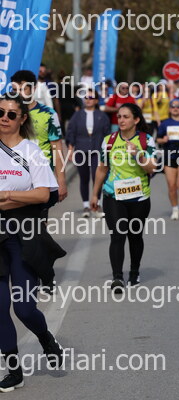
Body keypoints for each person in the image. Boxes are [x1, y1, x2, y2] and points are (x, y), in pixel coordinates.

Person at [0, 95, 65, 392]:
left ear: (22, 119)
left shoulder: (31, 151)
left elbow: (43, 194)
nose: (4, 118)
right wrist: (14, 199)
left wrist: (7, 197)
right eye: (0, 112)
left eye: (11, 114)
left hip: (23, 236)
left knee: (25, 309)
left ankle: (46, 338)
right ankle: (14, 370)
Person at [90, 103, 156, 292]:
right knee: (117, 236)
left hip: (139, 197)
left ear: (136, 120)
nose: (121, 120)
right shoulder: (109, 140)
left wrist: (138, 155)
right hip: (113, 195)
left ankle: (134, 272)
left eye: (126, 117)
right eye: (119, 116)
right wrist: (94, 194)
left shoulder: (146, 140)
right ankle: (117, 277)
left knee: (135, 236)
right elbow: (102, 168)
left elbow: (152, 168)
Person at [10, 70, 68, 204]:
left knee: (37, 217)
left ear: (34, 88)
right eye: (15, 90)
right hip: (13, 176)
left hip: (40, 178)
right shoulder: (6, 115)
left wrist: (61, 180)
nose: (18, 93)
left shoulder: (48, 114)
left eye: (23, 89)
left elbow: (57, 149)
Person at [66, 89, 111, 217]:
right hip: (81, 149)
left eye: (91, 97)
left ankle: (97, 204)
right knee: (84, 177)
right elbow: (71, 132)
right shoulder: (77, 115)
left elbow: (107, 134)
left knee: (97, 177)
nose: (88, 100)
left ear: (96, 100)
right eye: (86, 97)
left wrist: (107, 151)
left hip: (97, 149)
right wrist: (70, 149)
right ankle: (86, 205)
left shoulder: (102, 116)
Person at [156, 98, 179, 221]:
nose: (175, 109)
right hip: (169, 156)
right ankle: (175, 209)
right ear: (170, 109)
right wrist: (163, 140)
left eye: (178, 107)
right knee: (172, 186)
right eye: (173, 106)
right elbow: (158, 139)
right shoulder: (165, 123)